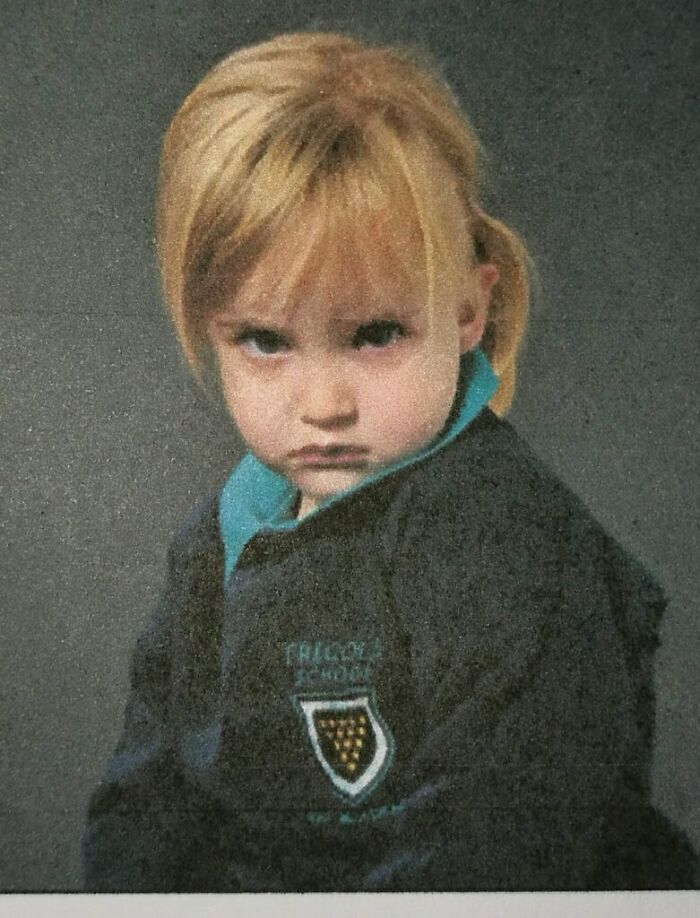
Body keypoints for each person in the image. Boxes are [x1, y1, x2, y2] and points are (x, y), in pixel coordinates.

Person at [82, 30, 698, 892]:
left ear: (467, 312)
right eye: (265, 341)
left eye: (375, 334)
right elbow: (147, 800)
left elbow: (511, 837)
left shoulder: (509, 543)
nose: (323, 402)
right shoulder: (214, 547)